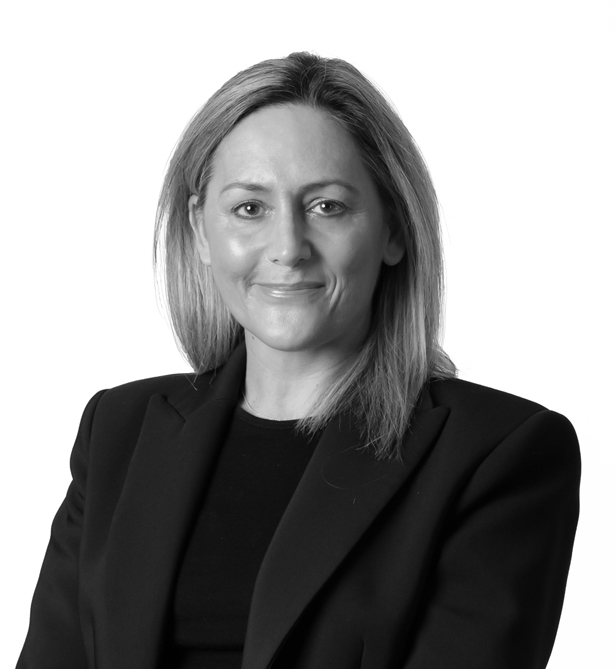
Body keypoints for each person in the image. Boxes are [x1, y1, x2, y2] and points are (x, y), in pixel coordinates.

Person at [17, 52, 580, 669]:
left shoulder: (499, 454)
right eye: (249, 208)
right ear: (201, 230)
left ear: (394, 230)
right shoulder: (117, 432)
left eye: (326, 206)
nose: (288, 248)